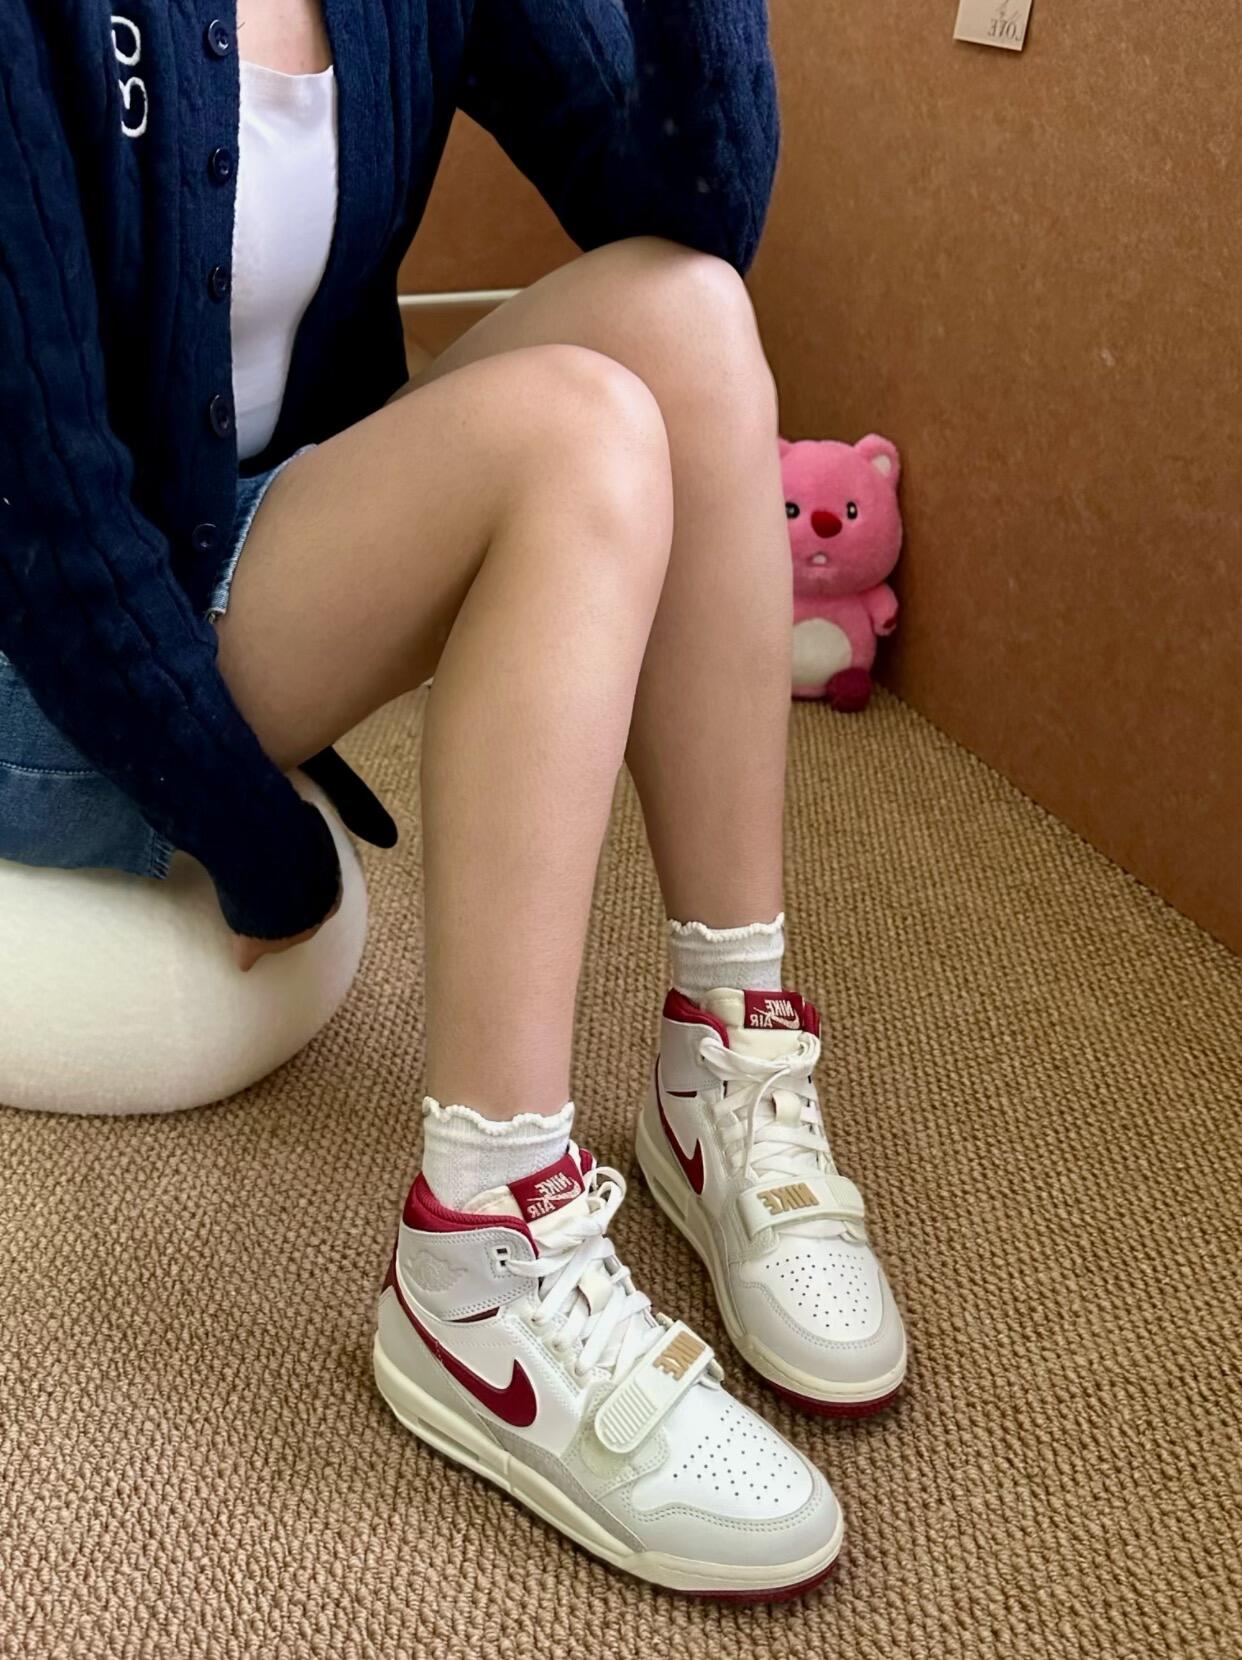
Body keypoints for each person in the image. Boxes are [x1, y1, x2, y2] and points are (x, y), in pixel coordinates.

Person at [0, 1, 905, 1598]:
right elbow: (43, 511)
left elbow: (690, 213)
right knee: (575, 435)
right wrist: (263, 843)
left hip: (228, 543)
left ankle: (725, 1054)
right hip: (38, 647)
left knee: (684, 315)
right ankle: (484, 1251)